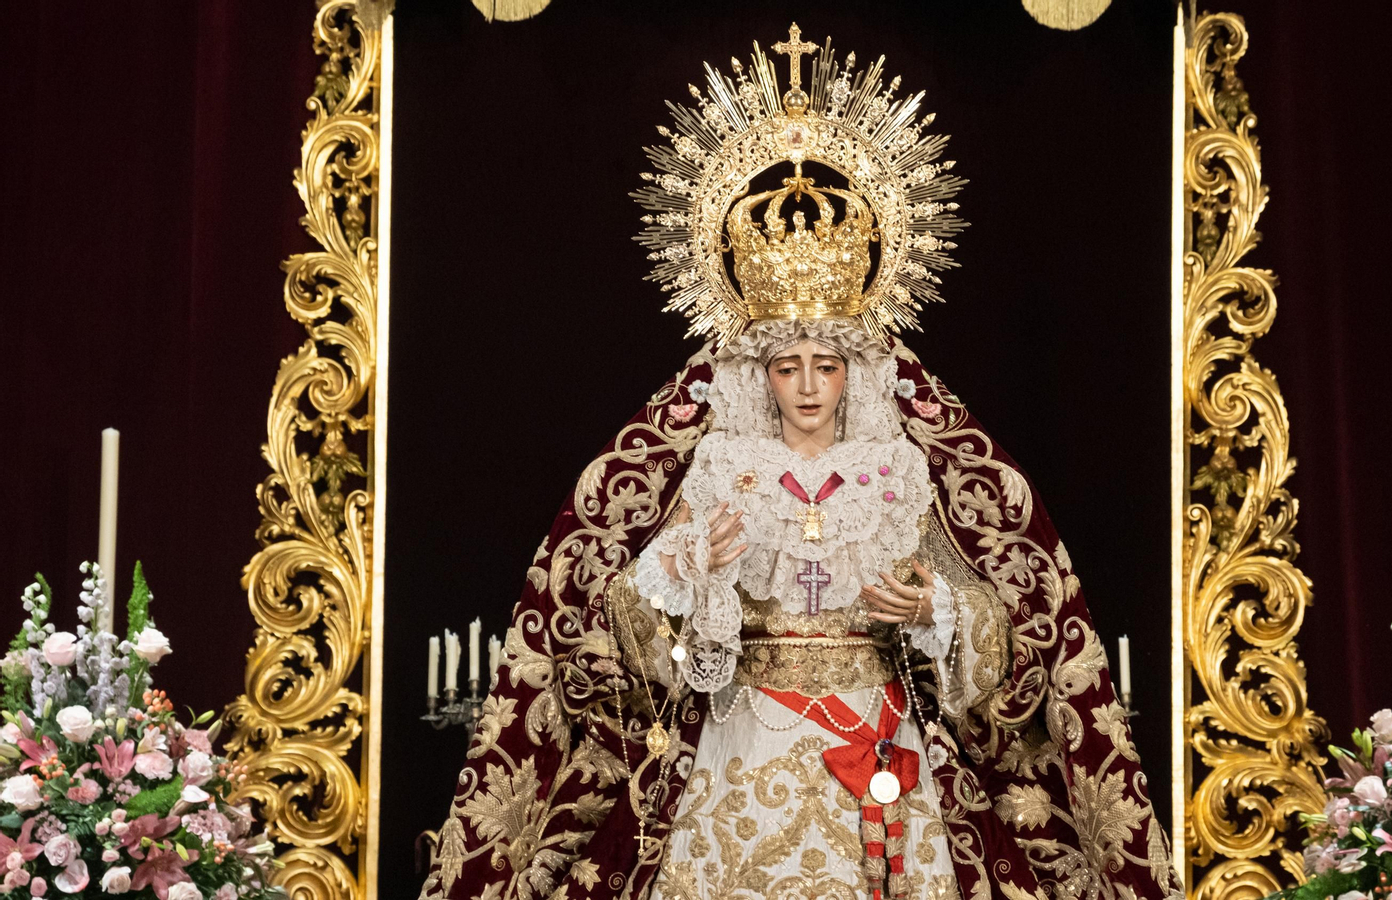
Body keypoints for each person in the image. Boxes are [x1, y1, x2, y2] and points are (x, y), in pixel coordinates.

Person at [421, 25, 1179, 900]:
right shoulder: (720, 467)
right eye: (789, 367)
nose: (809, 386)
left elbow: (985, 619)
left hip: (880, 734)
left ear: (856, 370)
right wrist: (684, 569)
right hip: (746, 735)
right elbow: (631, 621)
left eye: (828, 366)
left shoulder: (896, 470)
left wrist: (934, 605)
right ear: (762, 375)